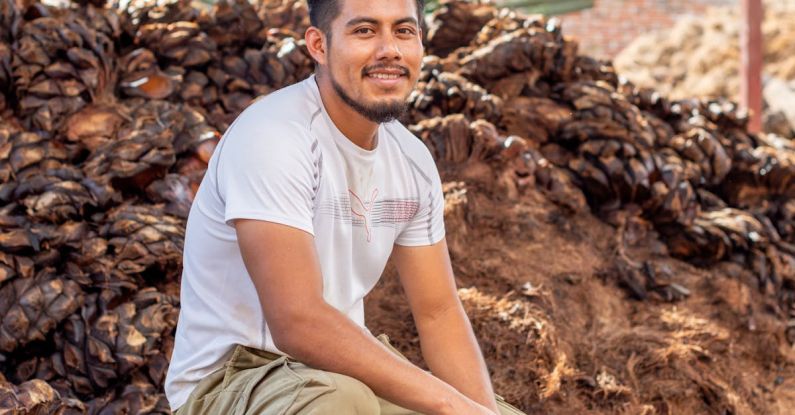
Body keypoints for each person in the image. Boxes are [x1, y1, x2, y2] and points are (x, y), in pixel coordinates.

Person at [165, 0, 527, 413]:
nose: (390, 49)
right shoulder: (273, 137)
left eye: (404, 32)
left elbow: (438, 312)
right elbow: (297, 322)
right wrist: (449, 405)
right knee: (344, 401)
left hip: (337, 376)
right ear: (318, 45)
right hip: (232, 382)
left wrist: (480, 410)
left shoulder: (411, 160)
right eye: (365, 31)